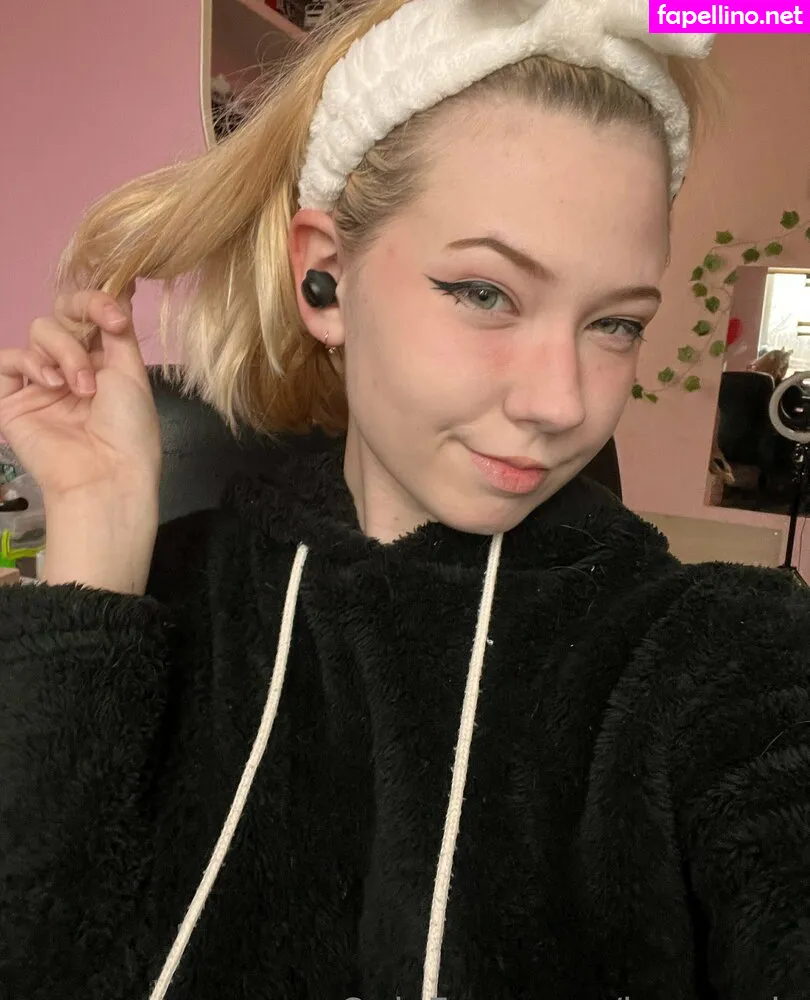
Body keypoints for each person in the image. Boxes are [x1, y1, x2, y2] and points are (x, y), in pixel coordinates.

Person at [0, 0, 808, 998]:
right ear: (325, 277)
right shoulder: (178, 593)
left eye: (615, 323)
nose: (561, 402)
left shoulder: (708, 650)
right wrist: (95, 527)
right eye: (485, 292)